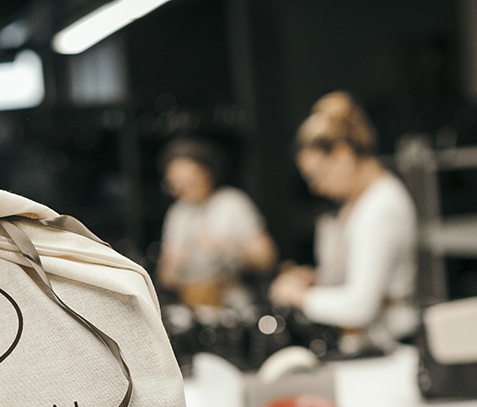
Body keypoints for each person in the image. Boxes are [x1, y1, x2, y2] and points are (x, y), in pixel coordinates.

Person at [269, 92, 418, 357]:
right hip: (370, 346)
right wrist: (315, 280)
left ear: (343, 154)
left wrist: (298, 296)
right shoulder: (361, 203)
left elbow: (361, 306)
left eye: (318, 175)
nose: (316, 187)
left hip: (390, 347)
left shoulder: (382, 206)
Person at [156, 137, 277, 310]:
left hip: (231, 301)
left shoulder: (231, 203)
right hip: (191, 302)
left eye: (190, 181)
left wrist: (229, 248)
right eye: (176, 184)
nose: (183, 189)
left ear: (207, 173)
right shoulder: (178, 213)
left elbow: (267, 258)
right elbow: (165, 278)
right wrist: (172, 265)